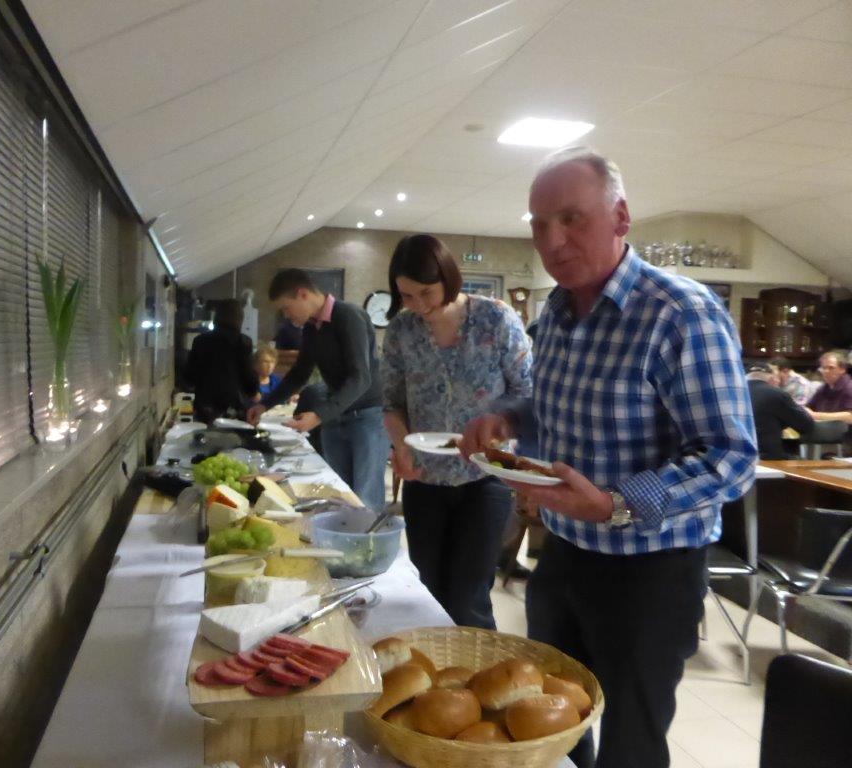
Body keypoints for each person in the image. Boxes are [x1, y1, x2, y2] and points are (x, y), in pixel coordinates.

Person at [460, 146, 757, 768]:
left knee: (630, 745)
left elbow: (730, 456)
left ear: (621, 217)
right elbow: (555, 402)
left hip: (650, 572)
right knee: (552, 729)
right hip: (563, 554)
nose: (552, 241)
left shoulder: (681, 313)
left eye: (572, 218)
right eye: (540, 224)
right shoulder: (557, 312)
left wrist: (616, 504)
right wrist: (509, 417)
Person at [381, 234, 532, 629]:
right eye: (407, 295)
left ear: (448, 278)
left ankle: (477, 667)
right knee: (428, 593)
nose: (419, 305)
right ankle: (437, 667)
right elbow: (391, 403)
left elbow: (527, 391)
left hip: (486, 477)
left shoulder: (495, 318)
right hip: (425, 480)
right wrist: (400, 447)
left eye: (426, 292)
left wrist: (499, 428)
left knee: (469, 599)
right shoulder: (402, 331)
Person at [247, 269, 388, 511]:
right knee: (338, 493)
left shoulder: (349, 315)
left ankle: (367, 537)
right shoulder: (312, 328)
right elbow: (299, 374)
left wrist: (319, 415)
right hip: (336, 415)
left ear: (303, 294)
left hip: (367, 417)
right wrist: (264, 405)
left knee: (365, 499)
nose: (287, 316)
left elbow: (361, 378)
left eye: (287, 308)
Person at [183, 299, 259, 425]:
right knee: (234, 436)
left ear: (216, 316)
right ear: (240, 319)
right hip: (234, 404)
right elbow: (248, 374)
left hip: (206, 405)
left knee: (207, 435)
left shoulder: (200, 341)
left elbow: (189, 376)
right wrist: (254, 391)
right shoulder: (244, 342)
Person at [747, 362, 814, 459]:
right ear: (772, 379)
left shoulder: (733, 395)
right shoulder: (777, 394)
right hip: (768, 459)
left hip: (736, 458)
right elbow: (806, 425)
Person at [805, 350, 852, 423]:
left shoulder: (849, 387)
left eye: (831, 368)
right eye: (824, 368)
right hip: (823, 427)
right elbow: (808, 407)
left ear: (842, 369)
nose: (826, 371)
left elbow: (850, 417)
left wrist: (815, 415)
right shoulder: (823, 388)